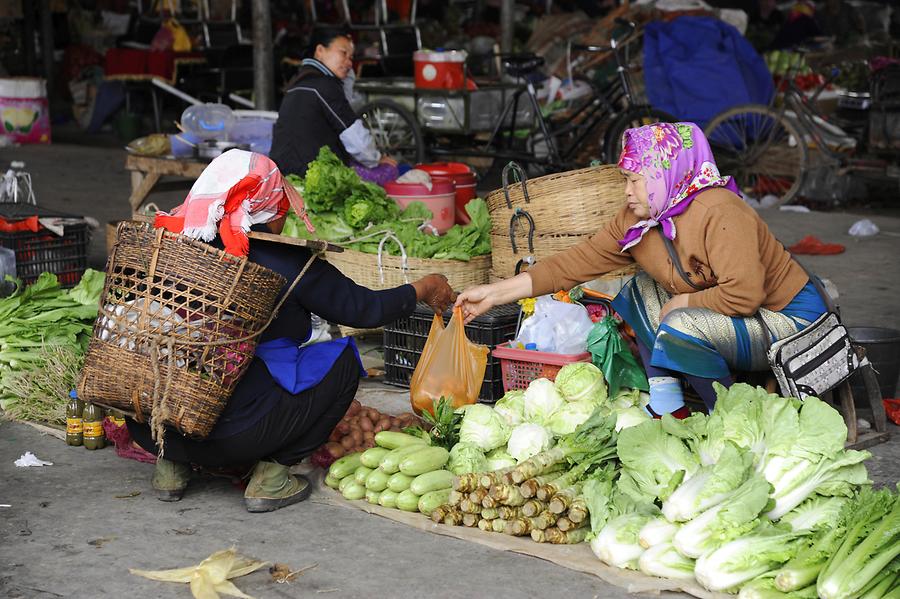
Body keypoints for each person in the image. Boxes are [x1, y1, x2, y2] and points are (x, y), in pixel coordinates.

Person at [131, 150, 453, 512]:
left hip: (148, 426)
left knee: (185, 361)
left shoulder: (169, 245)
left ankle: (171, 466)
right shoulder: (286, 261)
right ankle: (270, 478)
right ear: (268, 203)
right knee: (344, 359)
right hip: (236, 437)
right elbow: (365, 310)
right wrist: (423, 288)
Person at [456, 122, 827, 417]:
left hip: (788, 322)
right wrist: (494, 293)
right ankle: (668, 406)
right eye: (626, 181)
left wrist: (682, 302)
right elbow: (573, 263)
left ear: (668, 172)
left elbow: (744, 296)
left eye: (635, 180)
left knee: (681, 323)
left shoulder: (720, 211)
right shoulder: (639, 221)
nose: (628, 192)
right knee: (635, 290)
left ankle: (731, 415)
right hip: (737, 317)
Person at [269, 27, 398, 179]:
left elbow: (345, 98)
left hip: (283, 176)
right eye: (343, 53)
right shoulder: (323, 86)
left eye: (351, 57)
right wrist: (377, 159)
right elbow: (354, 137)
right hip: (310, 177)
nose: (349, 63)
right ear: (320, 51)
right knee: (389, 171)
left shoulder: (299, 83)